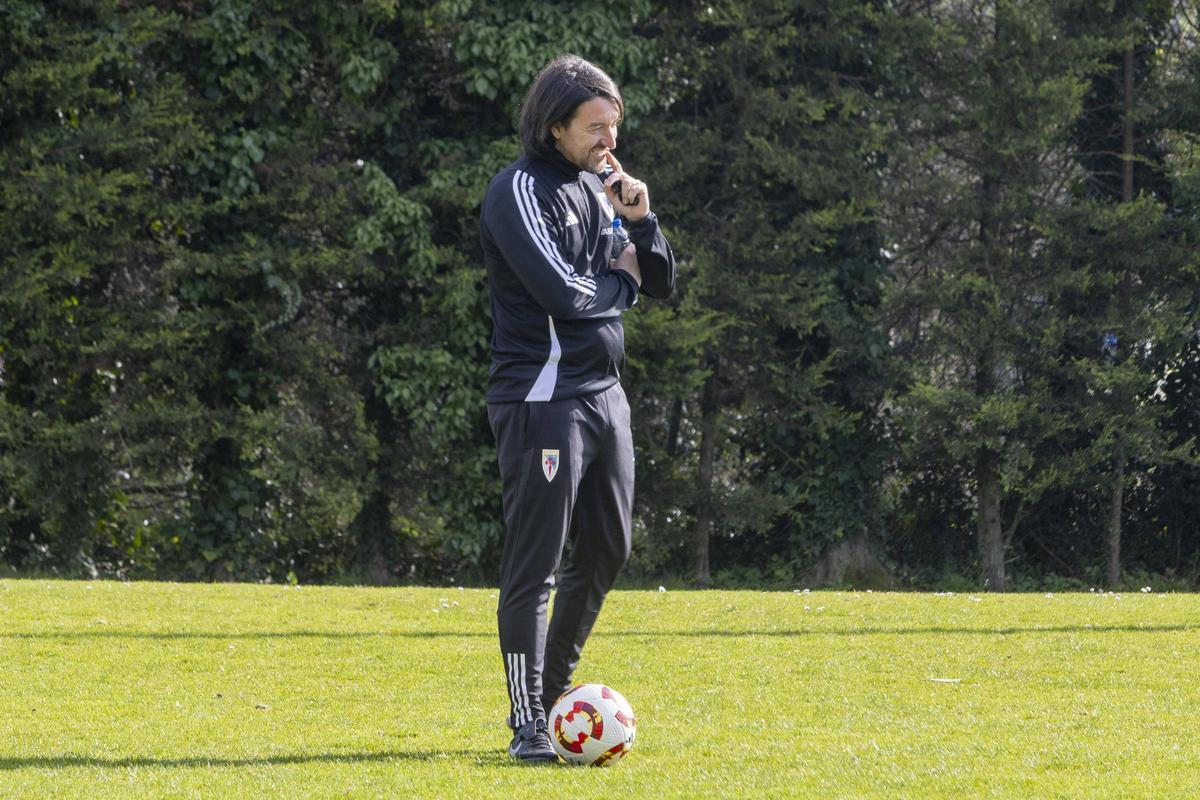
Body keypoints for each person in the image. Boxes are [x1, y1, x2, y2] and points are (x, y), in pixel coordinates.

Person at [479, 54, 676, 763]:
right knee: (536, 563)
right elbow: (567, 293)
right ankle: (527, 720)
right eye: (595, 129)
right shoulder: (518, 191)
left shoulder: (604, 187)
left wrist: (643, 221)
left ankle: (558, 695)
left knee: (609, 547)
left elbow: (656, 279)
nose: (608, 144)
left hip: (603, 397)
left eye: (613, 128)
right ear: (554, 124)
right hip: (542, 400)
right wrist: (619, 282)